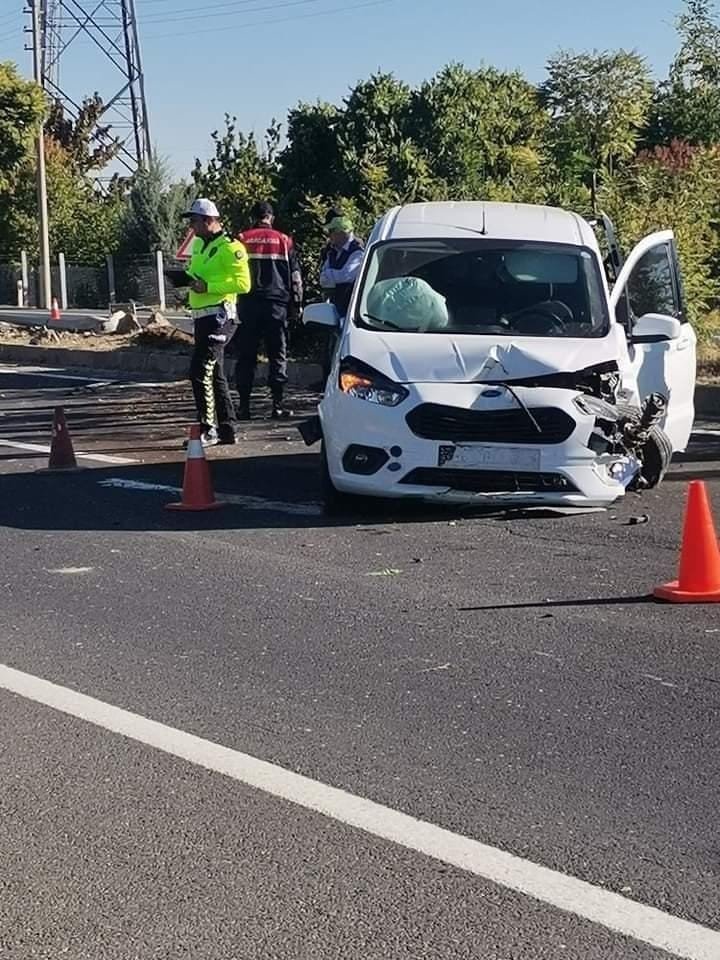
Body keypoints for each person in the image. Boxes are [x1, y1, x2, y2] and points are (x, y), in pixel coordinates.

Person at [183, 198, 251, 446]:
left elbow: (244, 284)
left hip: (221, 316)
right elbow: (197, 274)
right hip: (202, 317)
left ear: (209, 220)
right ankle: (227, 428)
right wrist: (185, 279)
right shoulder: (200, 245)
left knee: (200, 370)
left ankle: (208, 429)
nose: (192, 226)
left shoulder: (231, 247)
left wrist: (209, 286)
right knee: (216, 373)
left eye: (194, 221)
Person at [235, 201, 303, 420]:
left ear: (253, 217)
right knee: (277, 355)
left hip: (248, 305)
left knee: (246, 356)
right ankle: (277, 405)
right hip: (277, 306)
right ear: (271, 217)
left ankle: (244, 407)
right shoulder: (284, 241)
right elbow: (295, 278)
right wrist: (297, 305)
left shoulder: (242, 239)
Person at [318, 212, 364, 386]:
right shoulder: (332, 252)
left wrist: (331, 276)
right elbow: (323, 277)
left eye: (331, 233)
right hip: (336, 306)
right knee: (332, 346)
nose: (329, 237)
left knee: (346, 348)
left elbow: (347, 276)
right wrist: (332, 276)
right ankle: (328, 380)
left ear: (341, 233)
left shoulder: (357, 250)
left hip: (351, 307)